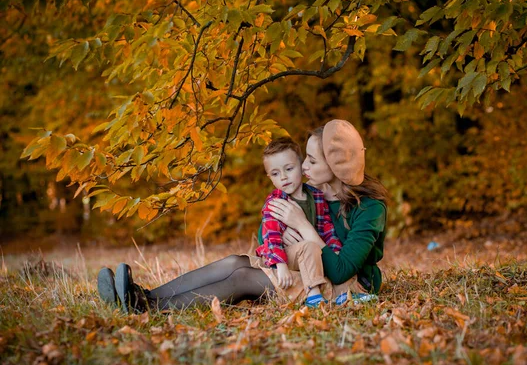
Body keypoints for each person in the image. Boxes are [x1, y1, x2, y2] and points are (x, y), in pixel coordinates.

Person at [97, 119, 387, 313]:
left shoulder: (370, 208)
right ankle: (144, 295)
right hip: (310, 268)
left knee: (243, 279)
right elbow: (267, 229)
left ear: (335, 165)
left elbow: (340, 270)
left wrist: (302, 227)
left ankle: (145, 308)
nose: (304, 166)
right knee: (236, 261)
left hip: (344, 285)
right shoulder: (315, 191)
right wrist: (283, 235)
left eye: (311, 160)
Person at [258, 136, 343, 307]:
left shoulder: (316, 196)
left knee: (315, 248)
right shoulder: (276, 201)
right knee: (309, 246)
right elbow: (271, 234)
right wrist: (280, 264)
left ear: (301, 166)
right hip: (286, 255)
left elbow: (326, 229)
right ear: (270, 177)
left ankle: (343, 293)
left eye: (289, 169)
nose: (283, 177)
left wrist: (336, 252)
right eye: (275, 173)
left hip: (310, 256)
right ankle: (313, 296)